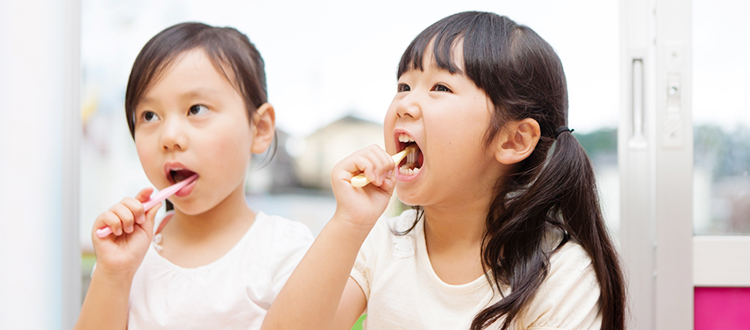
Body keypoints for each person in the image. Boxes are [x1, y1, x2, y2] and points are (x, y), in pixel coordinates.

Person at [263, 11, 625, 330]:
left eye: (440, 86)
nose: (405, 104)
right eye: (403, 85)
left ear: (513, 140)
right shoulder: (383, 245)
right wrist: (348, 223)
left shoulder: (563, 274)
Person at [75, 22, 313, 330]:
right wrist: (113, 274)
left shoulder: (286, 251)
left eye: (196, 109)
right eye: (149, 116)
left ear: (260, 128)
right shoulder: (128, 257)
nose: (169, 136)